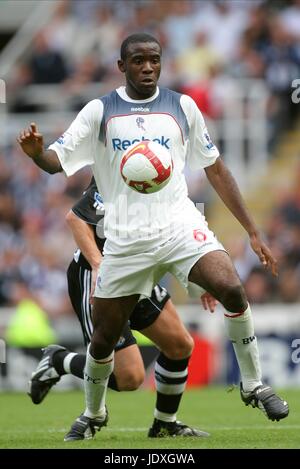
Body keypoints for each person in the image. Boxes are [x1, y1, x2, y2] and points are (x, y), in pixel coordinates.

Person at [18, 32, 289, 441]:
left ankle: (252, 385)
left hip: (179, 226)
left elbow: (214, 168)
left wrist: (252, 230)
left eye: (155, 60)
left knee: (231, 286)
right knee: (106, 343)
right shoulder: (100, 111)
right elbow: (58, 162)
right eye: (138, 60)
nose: (148, 67)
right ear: (121, 66)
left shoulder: (182, 107)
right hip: (124, 239)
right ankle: (93, 413)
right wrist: (38, 152)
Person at [28, 177, 216, 439]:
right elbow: (75, 219)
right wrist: (98, 265)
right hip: (99, 278)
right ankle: (59, 361)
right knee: (130, 378)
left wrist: (202, 277)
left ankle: (164, 424)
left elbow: (185, 231)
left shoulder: (167, 181)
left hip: (138, 273)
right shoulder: (120, 172)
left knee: (180, 345)